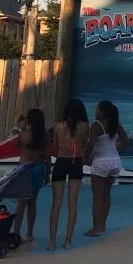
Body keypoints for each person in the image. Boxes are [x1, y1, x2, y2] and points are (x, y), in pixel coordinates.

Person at [47, 99, 89, 250]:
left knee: (56, 204)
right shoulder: (84, 126)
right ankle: (68, 241)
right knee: (73, 203)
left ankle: (52, 243)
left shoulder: (58, 126)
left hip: (61, 162)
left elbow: (55, 147)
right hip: (76, 163)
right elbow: (84, 145)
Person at [84, 101, 128, 237]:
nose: (95, 112)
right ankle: (102, 225)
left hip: (101, 162)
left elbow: (91, 145)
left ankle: (95, 228)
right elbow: (126, 141)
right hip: (115, 162)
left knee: (97, 196)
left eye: (97, 109)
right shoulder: (115, 124)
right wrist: (116, 154)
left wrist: (86, 158)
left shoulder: (96, 126)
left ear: (102, 112)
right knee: (106, 194)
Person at [11, 108, 48, 242]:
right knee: (32, 202)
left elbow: (15, 146)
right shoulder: (45, 135)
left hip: (24, 168)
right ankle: (30, 234)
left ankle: (16, 234)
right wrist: (48, 173)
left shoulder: (24, 134)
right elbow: (47, 155)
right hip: (38, 167)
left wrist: (22, 129)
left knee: (21, 204)